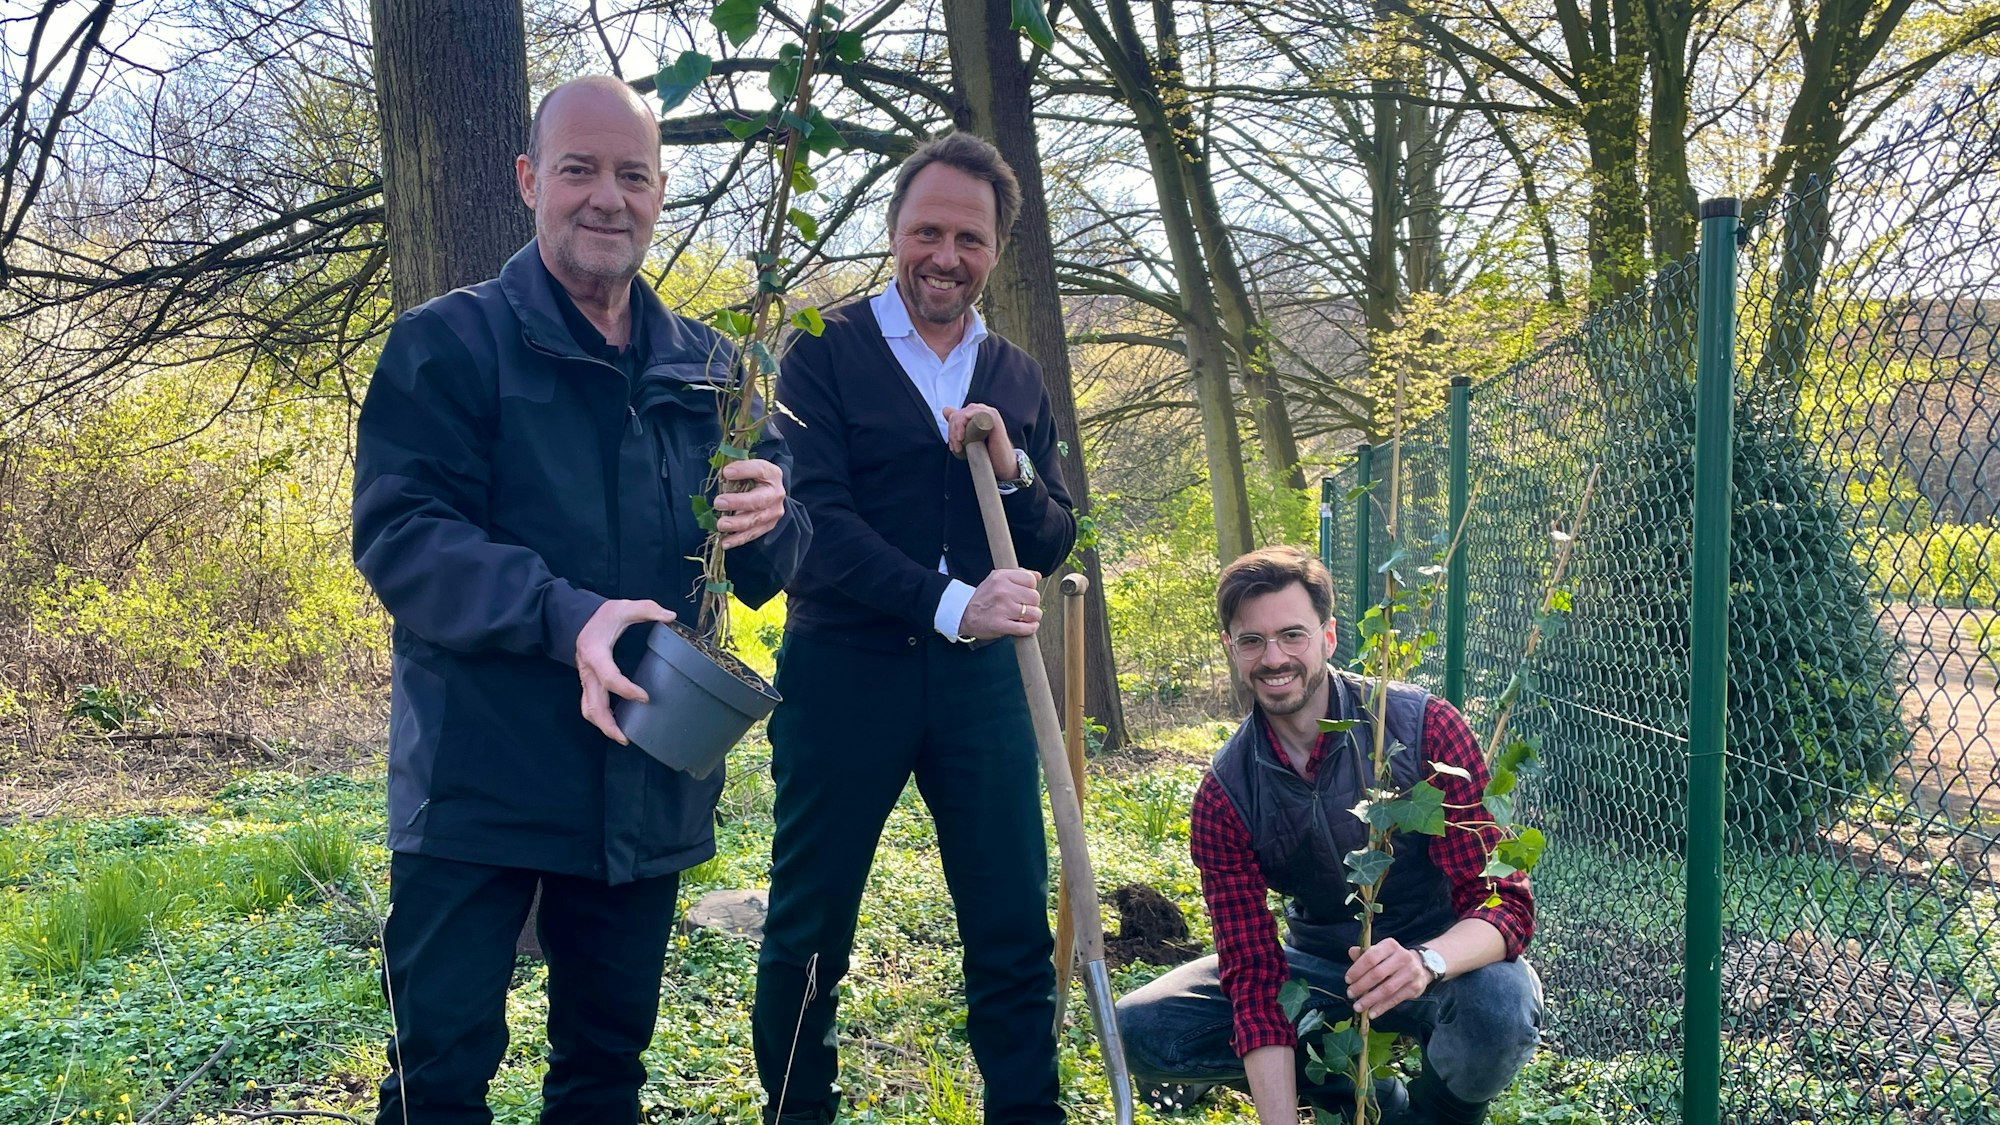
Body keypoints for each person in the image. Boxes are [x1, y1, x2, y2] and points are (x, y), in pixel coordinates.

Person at [351, 76, 807, 1125]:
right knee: (438, 1074)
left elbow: (771, 567)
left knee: (604, 1072)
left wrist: (777, 518)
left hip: (641, 782)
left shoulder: (715, 370)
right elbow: (402, 537)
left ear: (659, 192)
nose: (608, 198)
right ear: (528, 181)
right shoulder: (447, 347)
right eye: (579, 170)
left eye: (632, 175)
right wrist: (569, 614)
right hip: (477, 781)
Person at [750, 132, 1077, 1125]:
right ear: (893, 232)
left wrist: (1015, 468)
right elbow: (814, 527)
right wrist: (951, 604)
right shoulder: (822, 350)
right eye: (926, 231)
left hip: (983, 687)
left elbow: (1055, 533)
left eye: (967, 238)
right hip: (845, 672)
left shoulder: (1012, 373)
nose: (945, 255)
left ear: (994, 250)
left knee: (1011, 925)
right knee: (810, 927)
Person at [1116, 547, 1542, 1125]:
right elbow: (1251, 972)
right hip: (1318, 971)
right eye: (1252, 641)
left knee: (1501, 1006)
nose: (1274, 658)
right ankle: (1352, 1095)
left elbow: (1504, 904)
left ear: (1329, 636)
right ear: (1231, 648)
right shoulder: (1226, 795)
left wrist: (1426, 962)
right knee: (1141, 1027)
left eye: (1292, 635)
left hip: (1445, 964)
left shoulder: (1423, 728)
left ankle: (1434, 1115)